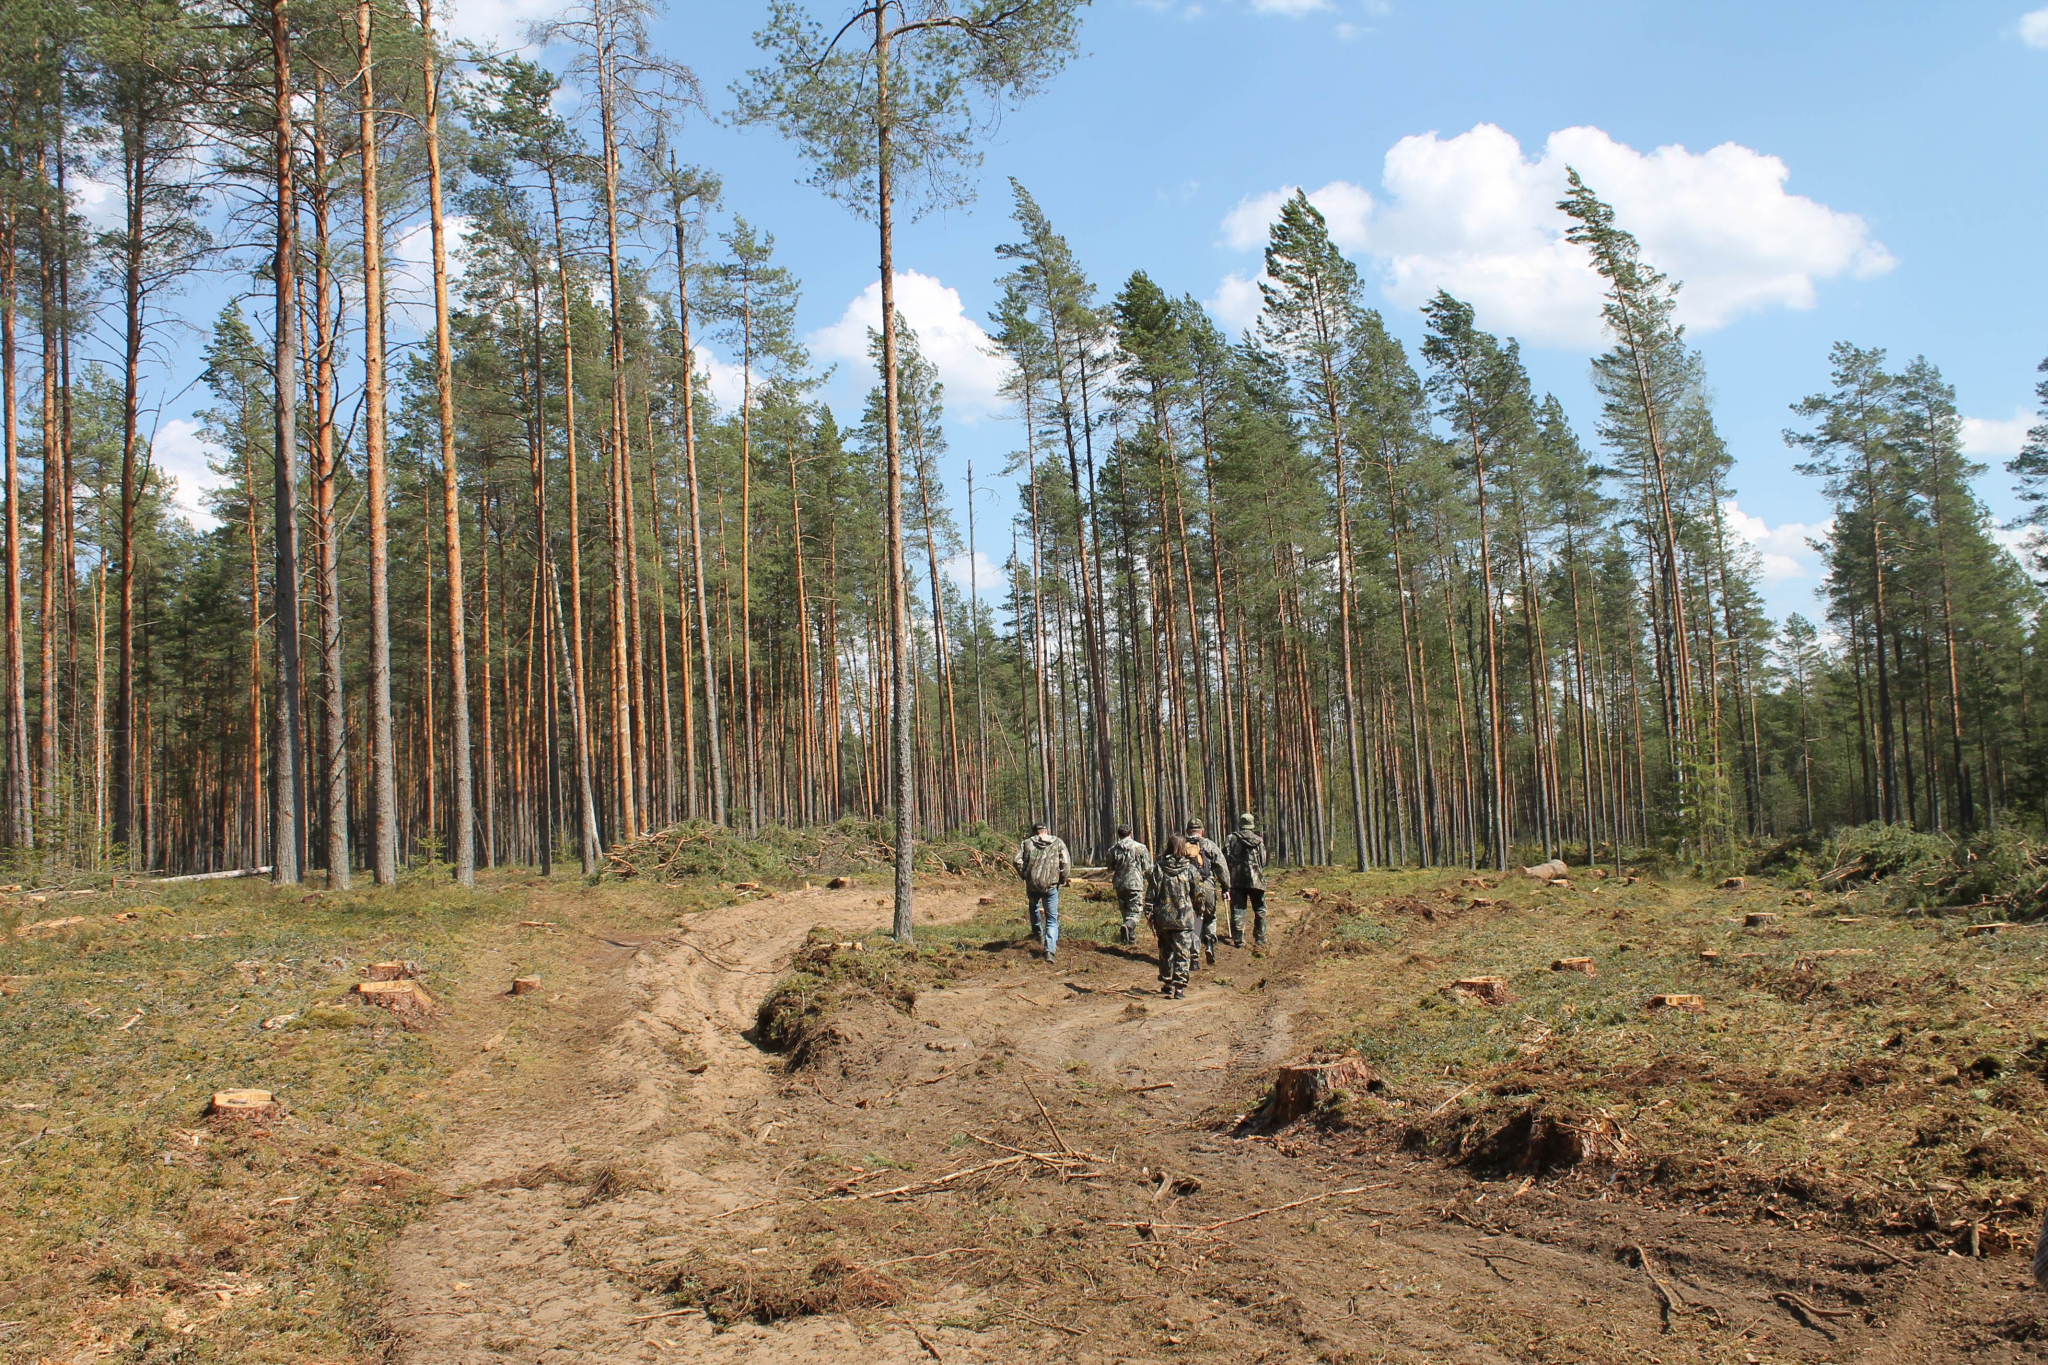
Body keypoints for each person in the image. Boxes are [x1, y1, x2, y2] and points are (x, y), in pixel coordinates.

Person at [1012, 822, 1072, 964]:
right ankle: (1049, 951)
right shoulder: (1057, 843)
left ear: (1034, 832)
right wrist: (1062, 879)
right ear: (1047, 831)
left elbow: (1016, 860)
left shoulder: (1027, 843)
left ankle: (1037, 934)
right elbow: (1066, 863)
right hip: (1051, 885)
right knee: (1052, 919)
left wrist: (1025, 874)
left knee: (1033, 908)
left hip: (1032, 884)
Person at [1149, 839, 1202, 998]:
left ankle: (1167, 983)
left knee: (1165, 951)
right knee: (1182, 952)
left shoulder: (1159, 867)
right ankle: (1179, 987)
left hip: (1163, 918)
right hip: (1183, 918)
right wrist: (1199, 910)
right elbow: (1198, 893)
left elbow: (1151, 892)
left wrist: (1149, 913)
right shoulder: (1190, 869)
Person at [1224, 812, 1270, 949]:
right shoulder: (1259, 840)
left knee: (1238, 908)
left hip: (1237, 880)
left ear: (1240, 824)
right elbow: (1263, 860)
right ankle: (1260, 937)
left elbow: (1226, 858)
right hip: (1256, 880)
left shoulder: (1231, 838)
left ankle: (1239, 940)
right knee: (1260, 908)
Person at [1185, 820, 1226, 965]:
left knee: (1194, 921)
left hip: (1187, 889)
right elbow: (1221, 866)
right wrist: (1226, 887)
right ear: (1202, 831)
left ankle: (1194, 958)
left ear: (1188, 831)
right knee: (1210, 917)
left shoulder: (1181, 845)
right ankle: (1209, 941)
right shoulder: (1209, 845)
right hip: (1207, 887)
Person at [1105, 824, 1153, 946]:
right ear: (1130, 833)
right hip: (1135, 883)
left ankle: (1130, 939)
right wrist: (1152, 882)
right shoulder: (1140, 848)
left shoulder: (1112, 850)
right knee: (1135, 912)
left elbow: (1110, 867)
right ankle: (1128, 927)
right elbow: (1148, 868)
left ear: (1119, 834)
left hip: (1120, 884)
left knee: (1125, 911)